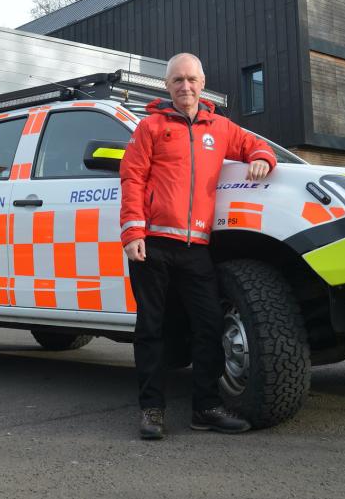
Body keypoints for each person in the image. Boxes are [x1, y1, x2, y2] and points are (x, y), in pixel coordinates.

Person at [119, 53, 276, 440]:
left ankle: (205, 407)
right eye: (177, 81)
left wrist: (262, 158)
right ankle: (152, 410)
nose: (185, 87)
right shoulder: (150, 127)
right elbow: (132, 178)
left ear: (202, 83)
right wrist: (133, 232)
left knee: (208, 325)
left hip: (196, 247)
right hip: (152, 244)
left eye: (191, 79)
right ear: (167, 86)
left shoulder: (219, 128)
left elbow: (257, 145)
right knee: (152, 329)